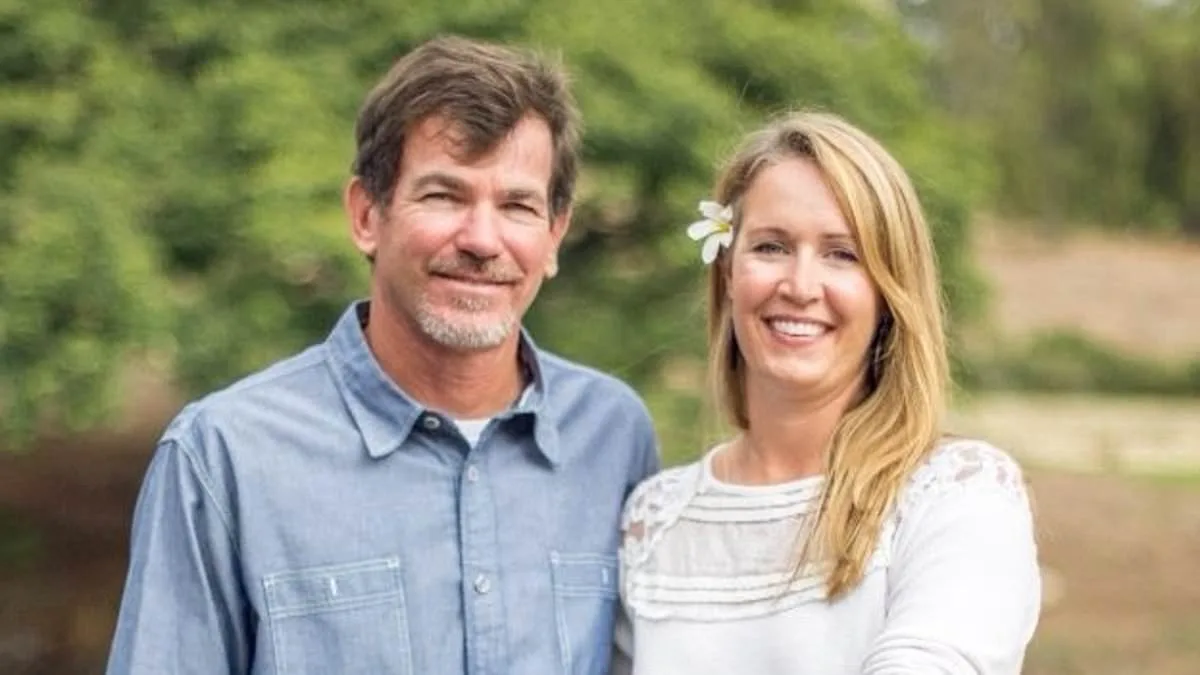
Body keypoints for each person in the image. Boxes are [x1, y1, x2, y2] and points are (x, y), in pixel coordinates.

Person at [106, 35, 659, 675]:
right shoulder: (224, 455)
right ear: (367, 215)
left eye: (517, 205)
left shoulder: (613, 436)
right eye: (444, 196)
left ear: (555, 234)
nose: (483, 240)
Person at [615, 111, 1040, 674]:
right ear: (728, 272)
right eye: (771, 247)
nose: (800, 286)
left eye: (842, 254)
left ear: (889, 292)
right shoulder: (653, 521)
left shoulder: (957, 495)